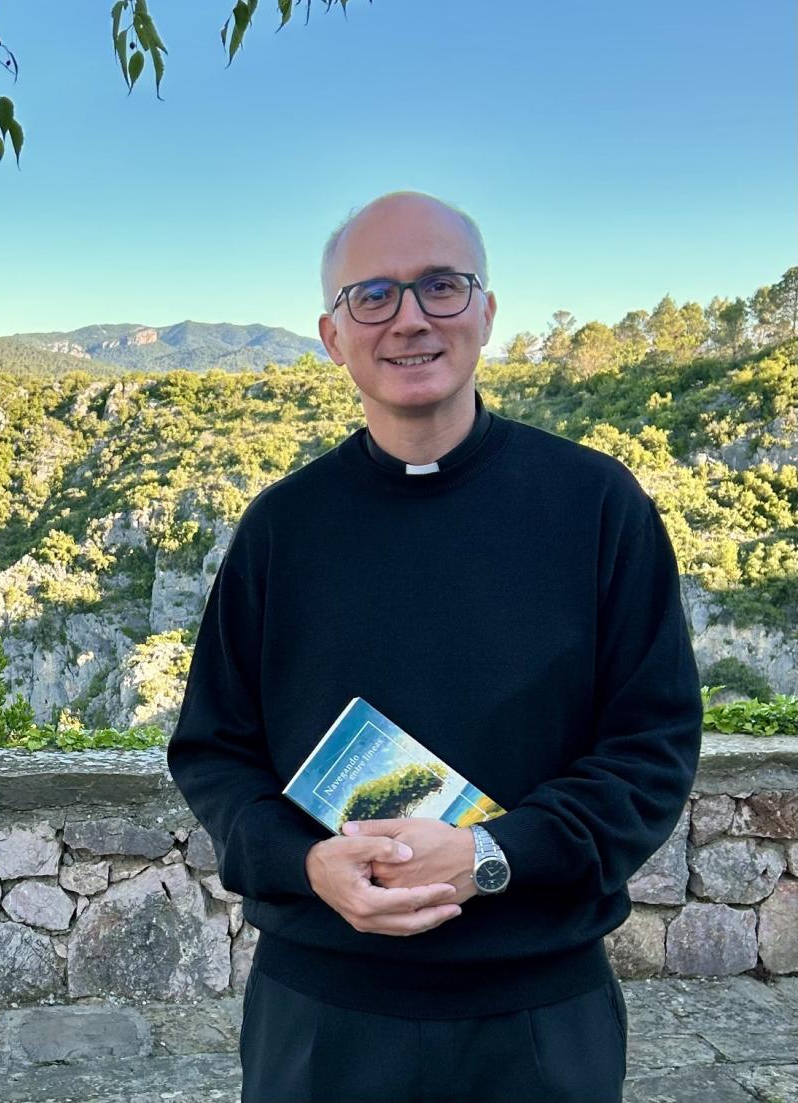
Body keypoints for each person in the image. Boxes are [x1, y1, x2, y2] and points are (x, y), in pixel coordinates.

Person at [165, 191, 702, 1103]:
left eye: (441, 286)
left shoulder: (598, 507)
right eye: (372, 295)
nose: (409, 318)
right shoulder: (280, 530)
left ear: (486, 312)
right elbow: (214, 750)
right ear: (333, 336)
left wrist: (494, 853)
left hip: (536, 1016)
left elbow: (651, 750)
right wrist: (304, 864)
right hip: (321, 1013)